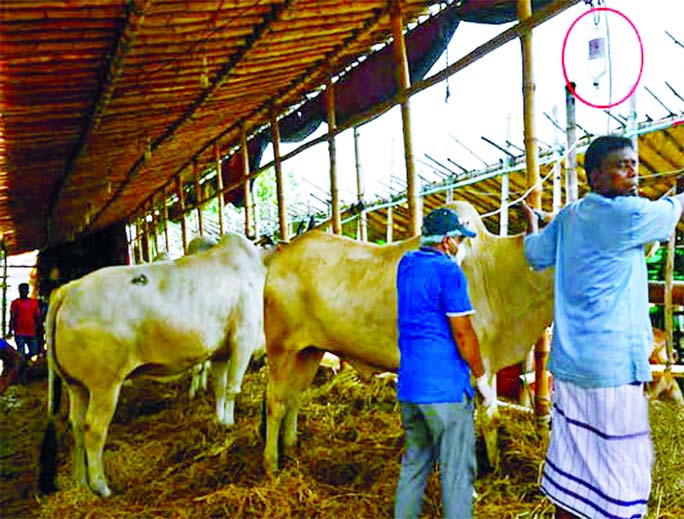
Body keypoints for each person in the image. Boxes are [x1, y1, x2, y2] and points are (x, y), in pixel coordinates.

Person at [522, 135, 684, 519]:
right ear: (595, 176)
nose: (632, 172)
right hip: (611, 371)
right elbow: (671, 211)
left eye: (634, 165)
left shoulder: (569, 216)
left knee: (573, 470)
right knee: (620, 475)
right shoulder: (627, 216)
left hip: (571, 368)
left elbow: (535, 253)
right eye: (621, 165)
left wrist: (532, 223)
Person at [394, 207, 496, 519]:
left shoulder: (406, 264)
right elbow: (464, 334)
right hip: (446, 391)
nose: (460, 247)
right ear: (448, 241)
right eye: (458, 240)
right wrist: (482, 378)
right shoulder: (450, 273)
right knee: (456, 474)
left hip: (410, 388)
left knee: (414, 464)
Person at [8, 282, 43, 362]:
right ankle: (22, 369)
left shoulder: (34, 302)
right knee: (21, 354)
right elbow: (12, 317)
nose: (23, 291)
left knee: (34, 353)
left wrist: (39, 329)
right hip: (19, 332)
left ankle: (29, 367)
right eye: (22, 289)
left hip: (31, 332)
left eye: (25, 289)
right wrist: (10, 330)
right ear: (19, 291)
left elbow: (37, 316)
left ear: (28, 291)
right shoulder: (15, 303)